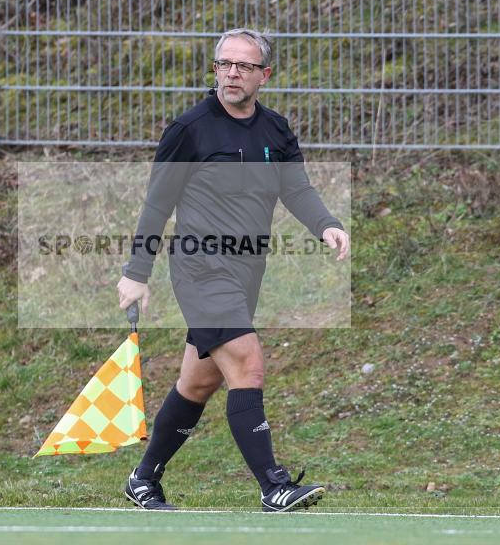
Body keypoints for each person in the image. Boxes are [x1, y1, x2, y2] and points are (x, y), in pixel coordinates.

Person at [116, 28, 350, 512]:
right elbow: (156, 205)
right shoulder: (190, 129)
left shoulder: (275, 129)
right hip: (201, 267)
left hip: (247, 271)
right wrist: (136, 273)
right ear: (215, 69)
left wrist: (325, 225)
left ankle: (143, 478)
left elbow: (297, 190)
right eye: (224, 64)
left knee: (199, 383)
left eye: (243, 66)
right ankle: (274, 484)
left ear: (265, 74)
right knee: (248, 363)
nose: (232, 73)